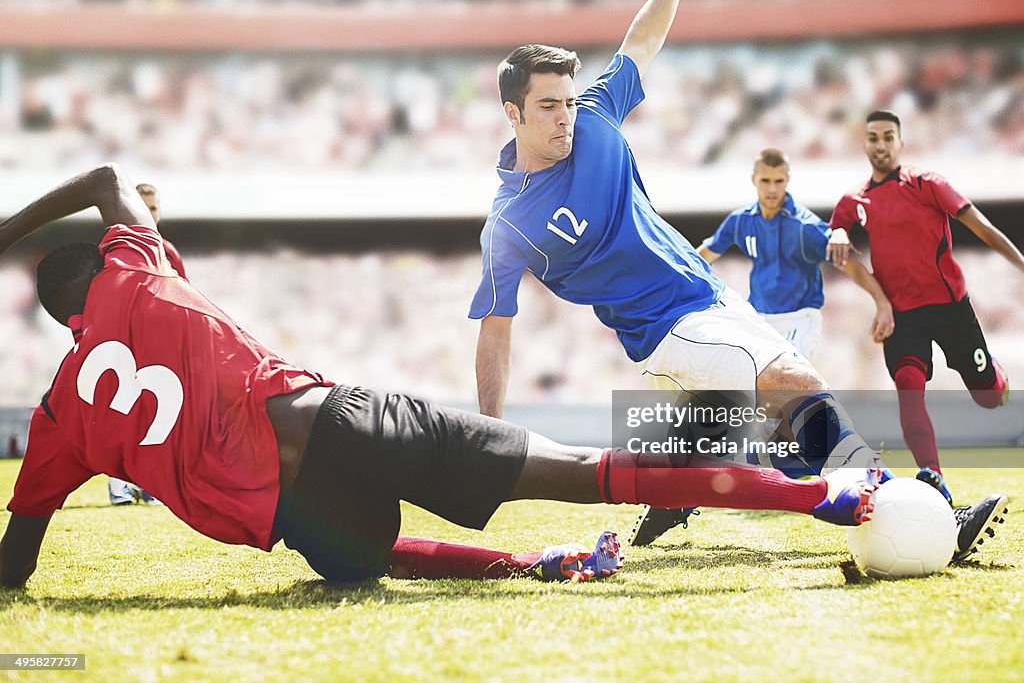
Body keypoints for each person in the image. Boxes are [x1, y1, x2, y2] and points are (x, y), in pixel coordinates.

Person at [0, 163, 888, 591]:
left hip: (300, 518)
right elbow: (110, 178)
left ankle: (534, 562)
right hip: (335, 418)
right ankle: (823, 498)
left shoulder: (56, 421)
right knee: (583, 471)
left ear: (57, 320)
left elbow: (17, 565)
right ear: (107, 260)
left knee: (365, 557)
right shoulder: (137, 267)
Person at [468, 0, 1006, 556]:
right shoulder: (508, 223)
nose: (565, 116)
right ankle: (910, 514)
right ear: (513, 112)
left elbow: (639, 44)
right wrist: (491, 436)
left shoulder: (594, 120)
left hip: (710, 298)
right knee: (793, 382)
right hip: (663, 326)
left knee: (721, 430)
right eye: (548, 107)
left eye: (566, 100)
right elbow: (496, 329)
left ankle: (671, 498)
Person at [828, 109, 1024, 508]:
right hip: (901, 317)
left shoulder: (928, 183)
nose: (880, 144)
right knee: (909, 391)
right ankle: (934, 477)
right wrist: (879, 300)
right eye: (873, 138)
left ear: (900, 142)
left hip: (951, 309)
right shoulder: (853, 201)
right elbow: (841, 252)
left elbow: (982, 228)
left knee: (988, 396)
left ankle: (994, 378)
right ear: (864, 144)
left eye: (888, 137)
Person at [696, 148, 894, 360]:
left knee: (788, 376)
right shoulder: (740, 221)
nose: (772, 188)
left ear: (787, 180)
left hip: (799, 320)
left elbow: (853, 267)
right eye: (765, 180)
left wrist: (882, 302)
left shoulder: (806, 227)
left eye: (778, 181)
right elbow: (704, 255)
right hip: (760, 319)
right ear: (754, 179)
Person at [106, 182, 184, 506]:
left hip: (160, 344)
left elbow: (183, 294)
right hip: (126, 342)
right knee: (122, 411)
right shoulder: (116, 249)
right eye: (143, 207)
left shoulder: (168, 252)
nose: (149, 214)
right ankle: (119, 484)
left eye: (153, 208)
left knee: (157, 410)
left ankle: (148, 483)